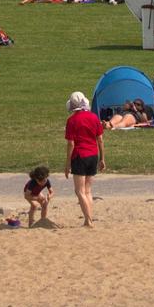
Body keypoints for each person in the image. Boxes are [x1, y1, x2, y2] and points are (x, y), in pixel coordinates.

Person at [63, 91, 105, 227]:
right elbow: (100, 140)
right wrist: (102, 158)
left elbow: (71, 143)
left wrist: (68, 163)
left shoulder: (71, 121)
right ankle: (88, 218)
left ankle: (88, 220)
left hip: (80, 156)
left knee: (79, 191)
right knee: (88, 191)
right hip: (93, 155)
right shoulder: (93, 118)